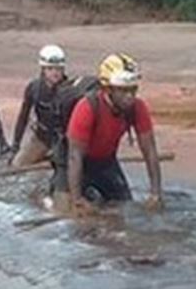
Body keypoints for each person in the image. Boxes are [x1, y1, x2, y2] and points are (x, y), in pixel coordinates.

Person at [52, 53, 164, 215]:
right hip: (71, 162)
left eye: (133, 90)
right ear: (108, 89)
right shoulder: (87, 108)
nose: (129, 96)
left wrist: (156, 193)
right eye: (123, 91)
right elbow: (74, 157)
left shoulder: (137, 108)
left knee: (124, 208)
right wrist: (77, 201)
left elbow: (150, 151)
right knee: (67, 214)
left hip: (105, 161)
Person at [7, 44, 70, 167]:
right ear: (43, 69)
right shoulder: (33, 88)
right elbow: (23, 117)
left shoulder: (70, 90)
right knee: (17, 165)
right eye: (50, 69)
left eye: (58, 69)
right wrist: (15, 146)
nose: (55, 73)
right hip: (42, 138)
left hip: (64, 140)